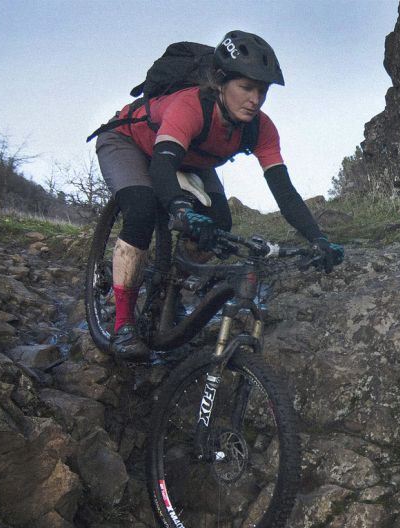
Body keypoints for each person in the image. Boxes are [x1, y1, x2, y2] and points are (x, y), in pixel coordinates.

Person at [95, 30, 344, 360]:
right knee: (140, 209)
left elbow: (283, 190)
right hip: (128, 142)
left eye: (262, 90)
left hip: (189, 157)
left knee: (218, 223)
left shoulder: (259, 127)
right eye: (246, 87)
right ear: (221, 82)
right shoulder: (191, 107)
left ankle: (170, 290)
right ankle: (123, 323)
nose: (255, 99)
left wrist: (319, 239)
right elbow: (161, 169)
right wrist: (181, 208)